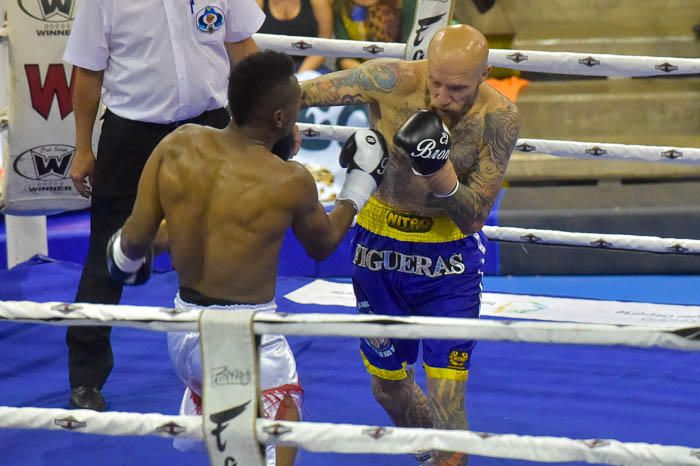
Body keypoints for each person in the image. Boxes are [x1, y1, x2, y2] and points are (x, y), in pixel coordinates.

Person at [105, 50, 389, 466]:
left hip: (182, 331)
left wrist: (124, 262)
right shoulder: (287, 180)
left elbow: (136, 239)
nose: (295, 122)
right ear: (279, 119)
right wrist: (360, 183)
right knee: (280, 428)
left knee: (235, 444)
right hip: (245, 334)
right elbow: (323, 244)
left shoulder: (177, 144)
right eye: (293, 113)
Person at [299, 24, 521, 466]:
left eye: (456, 88)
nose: (440, 97)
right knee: (387, 385)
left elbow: (475, 214)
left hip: (449, 260)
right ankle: (428, 447)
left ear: (485, 74)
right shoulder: (391, 80)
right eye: (435, 82)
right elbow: (298, 96)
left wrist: (440, 176)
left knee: (449, 402)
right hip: (377, 246)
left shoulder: (499, 118)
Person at [63, 0, 265, 411]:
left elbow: (242, 47)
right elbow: (88, 71)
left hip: (208, 129)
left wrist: (274, 116)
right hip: (130, 134)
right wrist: (82, 147)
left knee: (223, 247)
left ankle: (228, 364)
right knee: (110, 252)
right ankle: (86, 377)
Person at [333, 0, 416, 70]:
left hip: (398, 71)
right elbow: (343, 55)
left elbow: (408, 51)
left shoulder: (406, 3)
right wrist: (365, 75)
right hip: (354, 73)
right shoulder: (341, 4)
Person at [256, 0, 334, 73]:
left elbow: (324, 40)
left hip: (309, 67)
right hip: (267, 68)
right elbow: (248, 40)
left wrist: (301, 75)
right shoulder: (256, 2)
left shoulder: (318, 2)